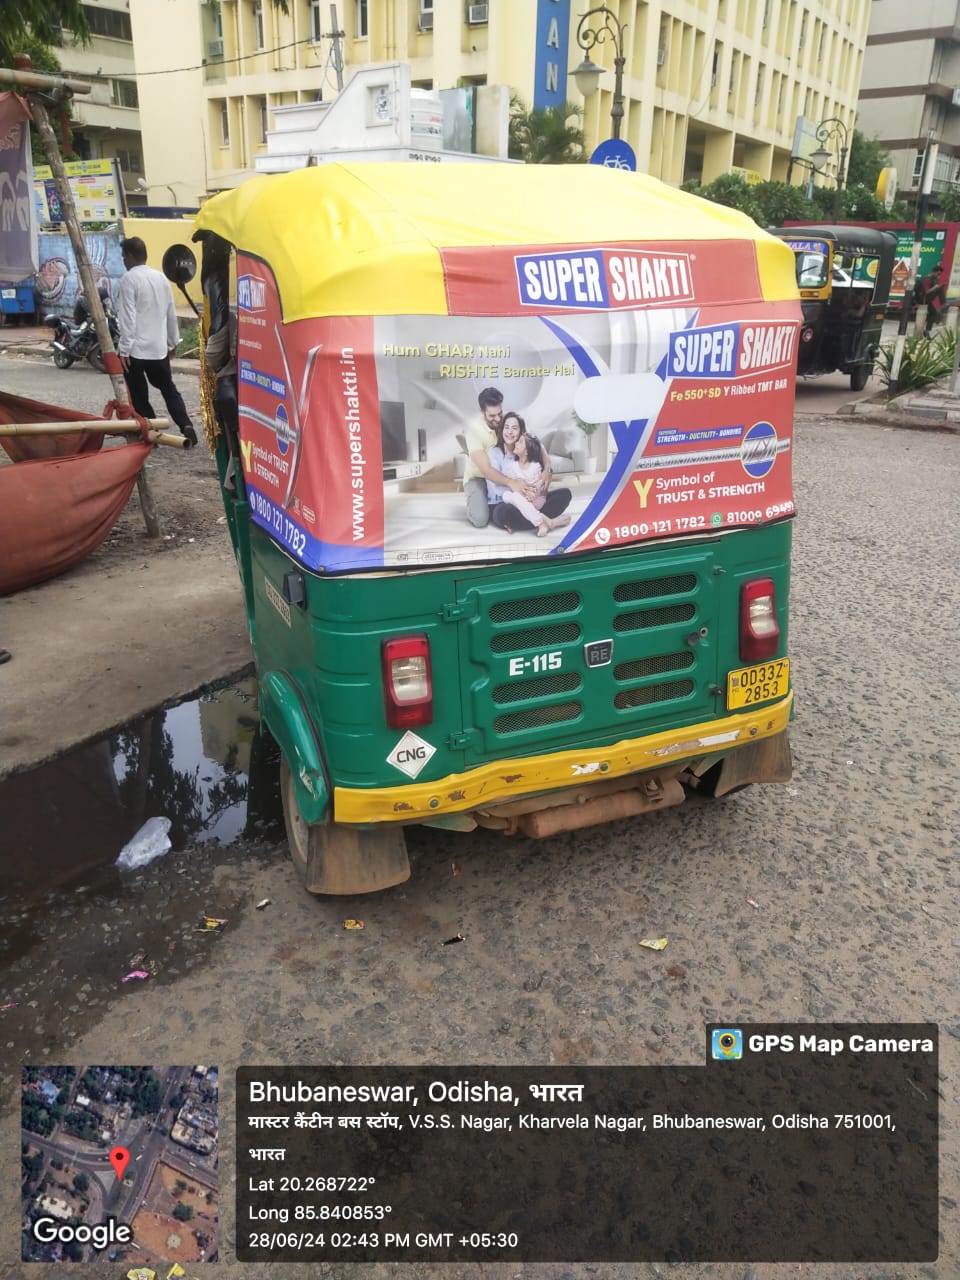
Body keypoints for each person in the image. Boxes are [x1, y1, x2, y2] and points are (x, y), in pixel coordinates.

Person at [116, 236, 198, 445]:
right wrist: (173, 342)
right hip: (158, 348)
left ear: (130, 256)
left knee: (139, 395)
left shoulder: (129, 279)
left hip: (136, 350)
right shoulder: (161, 278)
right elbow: (171, 313)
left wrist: (124, 349)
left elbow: (128, 316)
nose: (124, 260)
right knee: (168, 388)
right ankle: (185, 424)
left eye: (124, 256)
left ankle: (152, 432)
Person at [486, 410, 572, 534]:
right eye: (506, 427)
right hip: (506, 502)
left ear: (521, 432)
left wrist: (537, 489)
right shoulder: (494, 454)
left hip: (532, 501)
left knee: (564, 494)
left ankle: (525, 522)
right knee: (504, 513)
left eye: (514, 428)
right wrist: (516, 486)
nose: (510, 432)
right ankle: (547, 521)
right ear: (502, 430)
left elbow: (544, 470)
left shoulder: (529, 451)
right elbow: (497, 489)